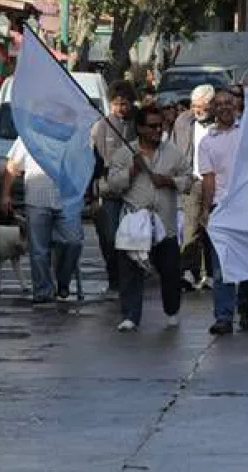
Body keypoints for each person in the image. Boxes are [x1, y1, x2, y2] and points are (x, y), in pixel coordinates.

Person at [108, 105, 192, 331]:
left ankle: (172, 310)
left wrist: (171, 182)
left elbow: (188, 178)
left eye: (161, 125)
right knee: (130, 271)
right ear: (140, 128)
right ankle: (130, 315)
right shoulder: (125, 153)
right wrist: (131, 172)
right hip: (135, 223)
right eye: (153, 126)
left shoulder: (172, 152)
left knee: (170, 270)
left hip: (165, 224)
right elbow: (112, 186)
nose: (158, 130)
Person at [198, 86, 248, 335]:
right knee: (220, 265)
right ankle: (223, 316)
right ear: (213, 109)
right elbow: (209, 179)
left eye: (229, 103)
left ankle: (245, 303)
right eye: (219, 103)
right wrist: (206, 209)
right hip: (221, 208)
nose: (225, 107)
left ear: (237, 107)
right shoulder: (206, 142)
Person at [1, 138, 83, 307]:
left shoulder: (73, 137)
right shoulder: (27, 135)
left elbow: (83, 166)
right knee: (38, 250)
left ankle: (63, 281)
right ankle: (43, 290)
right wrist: (5, 194)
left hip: (67, 199)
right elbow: (12, 165)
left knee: (73, 242)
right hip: (37, 198)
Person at [91, 80, 138, 297]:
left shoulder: (140, 124)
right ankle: (114, 280)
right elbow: (93, 162)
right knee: (109, 238)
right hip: (108, 192)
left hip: (135, 192)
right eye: (117, 104)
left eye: (125, 104)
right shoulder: (101, 127)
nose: (121, 108)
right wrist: (91, 194)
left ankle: (132, 279)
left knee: (134, 238)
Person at [171, 84, 215, 290]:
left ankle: (211, 273)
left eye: (202, 106)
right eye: (194, 105)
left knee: (213, 229)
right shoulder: (183, 122)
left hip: (217, 183)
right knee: (191, 228)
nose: (197, 110)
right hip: (193, 180)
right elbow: (174, 149)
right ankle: (188, 271)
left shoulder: (222, 124)